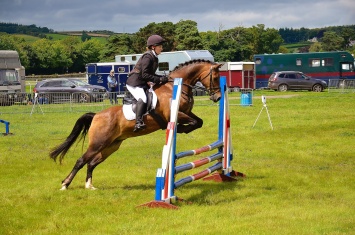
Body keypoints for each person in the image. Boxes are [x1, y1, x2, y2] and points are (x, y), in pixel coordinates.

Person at [126, 34, 169, 132]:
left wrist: (163, 78)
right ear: (153, 47)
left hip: (141, 82)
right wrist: (159, 79)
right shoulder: (148, 57)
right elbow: (145, 75)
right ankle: (138, 123)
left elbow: (151, 74)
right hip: (135, 82)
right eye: (160, 46)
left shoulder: (154, 57)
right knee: (143, 98)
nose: (161, 49)